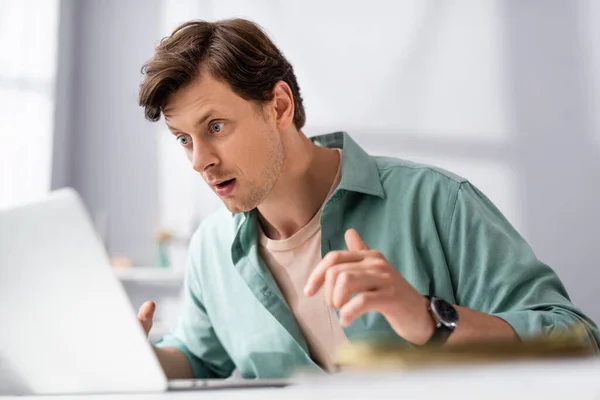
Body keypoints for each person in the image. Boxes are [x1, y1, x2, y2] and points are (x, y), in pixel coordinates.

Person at [136, 18, 599, 380]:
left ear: (279, 105)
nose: (200, 161)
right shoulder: (212, 248)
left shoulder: (436, 203)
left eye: (215, 127)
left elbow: (579, 343)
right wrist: (132, 358)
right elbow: (196, 358)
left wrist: (429, 319)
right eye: (183, 139)